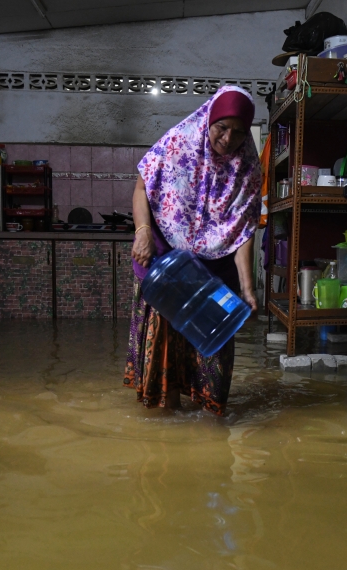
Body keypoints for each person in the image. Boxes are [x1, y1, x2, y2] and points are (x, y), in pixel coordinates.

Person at [124, 86, 261, 416]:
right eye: (222, 128)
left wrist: (246, 288)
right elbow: (143, 185)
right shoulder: (179, 141)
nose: (229, 139)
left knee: (215, 347)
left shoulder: (248, 169)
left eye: (239, 132)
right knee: (166, 347)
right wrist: (142, 232)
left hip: (215, 268)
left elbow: (241, 232)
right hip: (167, 264)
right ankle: (167, 422)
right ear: (210, 119)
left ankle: (209, 429)